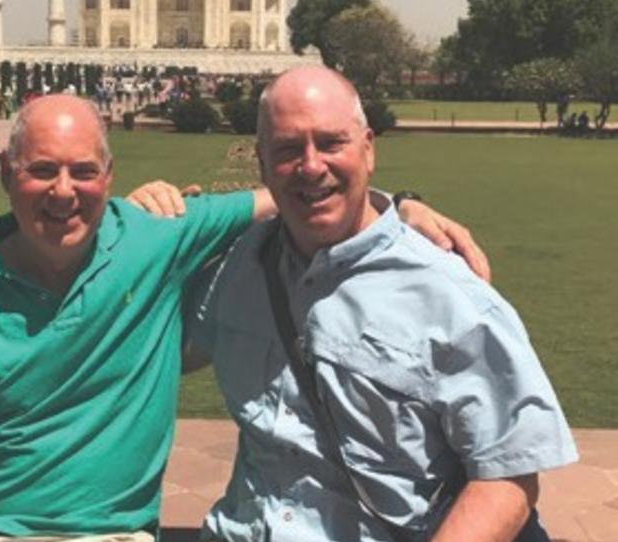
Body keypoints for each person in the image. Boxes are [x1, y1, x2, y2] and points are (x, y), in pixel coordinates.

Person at [0, 94, 486, 540]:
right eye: (42, 170)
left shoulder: (151, 239)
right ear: (6, 173)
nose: (64, 192)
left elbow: (292, 196)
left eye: (82, 171)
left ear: (109, 177)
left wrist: (396, 206)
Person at [183, 67, 577, 541]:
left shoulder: (450, 293)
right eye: (288, 149)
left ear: (368, 147)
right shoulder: (238, 266)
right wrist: (153, 228)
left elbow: (508, 473)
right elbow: (143, 347)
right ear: (262, 163)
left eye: (331, 143)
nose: (311, 165)